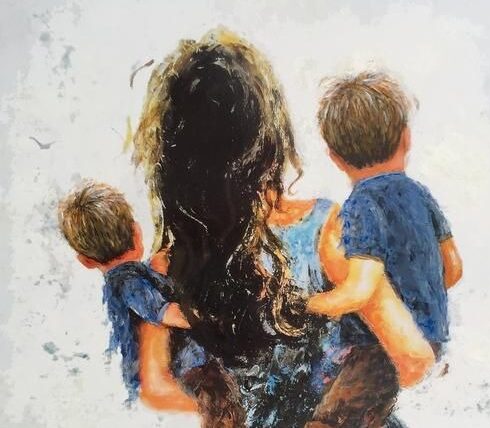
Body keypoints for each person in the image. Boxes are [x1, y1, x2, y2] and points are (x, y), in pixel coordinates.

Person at [133, 28, 435, 427]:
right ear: (269, 140)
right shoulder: (326, 229)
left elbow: (155, 386)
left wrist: (241, 406)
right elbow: (412, 359)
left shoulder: (164, 269)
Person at [57, 181, 245, 426]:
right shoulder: (127, 282)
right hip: (186, 371)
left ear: (86, 261)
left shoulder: (128, 279)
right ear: (137, 233)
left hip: (180, 368)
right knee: (224, 406)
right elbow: (168, 313)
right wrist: (212, 315)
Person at [307, 71, 463, 361]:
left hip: (379, 352)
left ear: (335, 158)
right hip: (434, 340)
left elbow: (359, 291)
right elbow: (453, 268)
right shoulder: (420, 194)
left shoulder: (361, 206)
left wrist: (309, 304)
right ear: (406, 138)